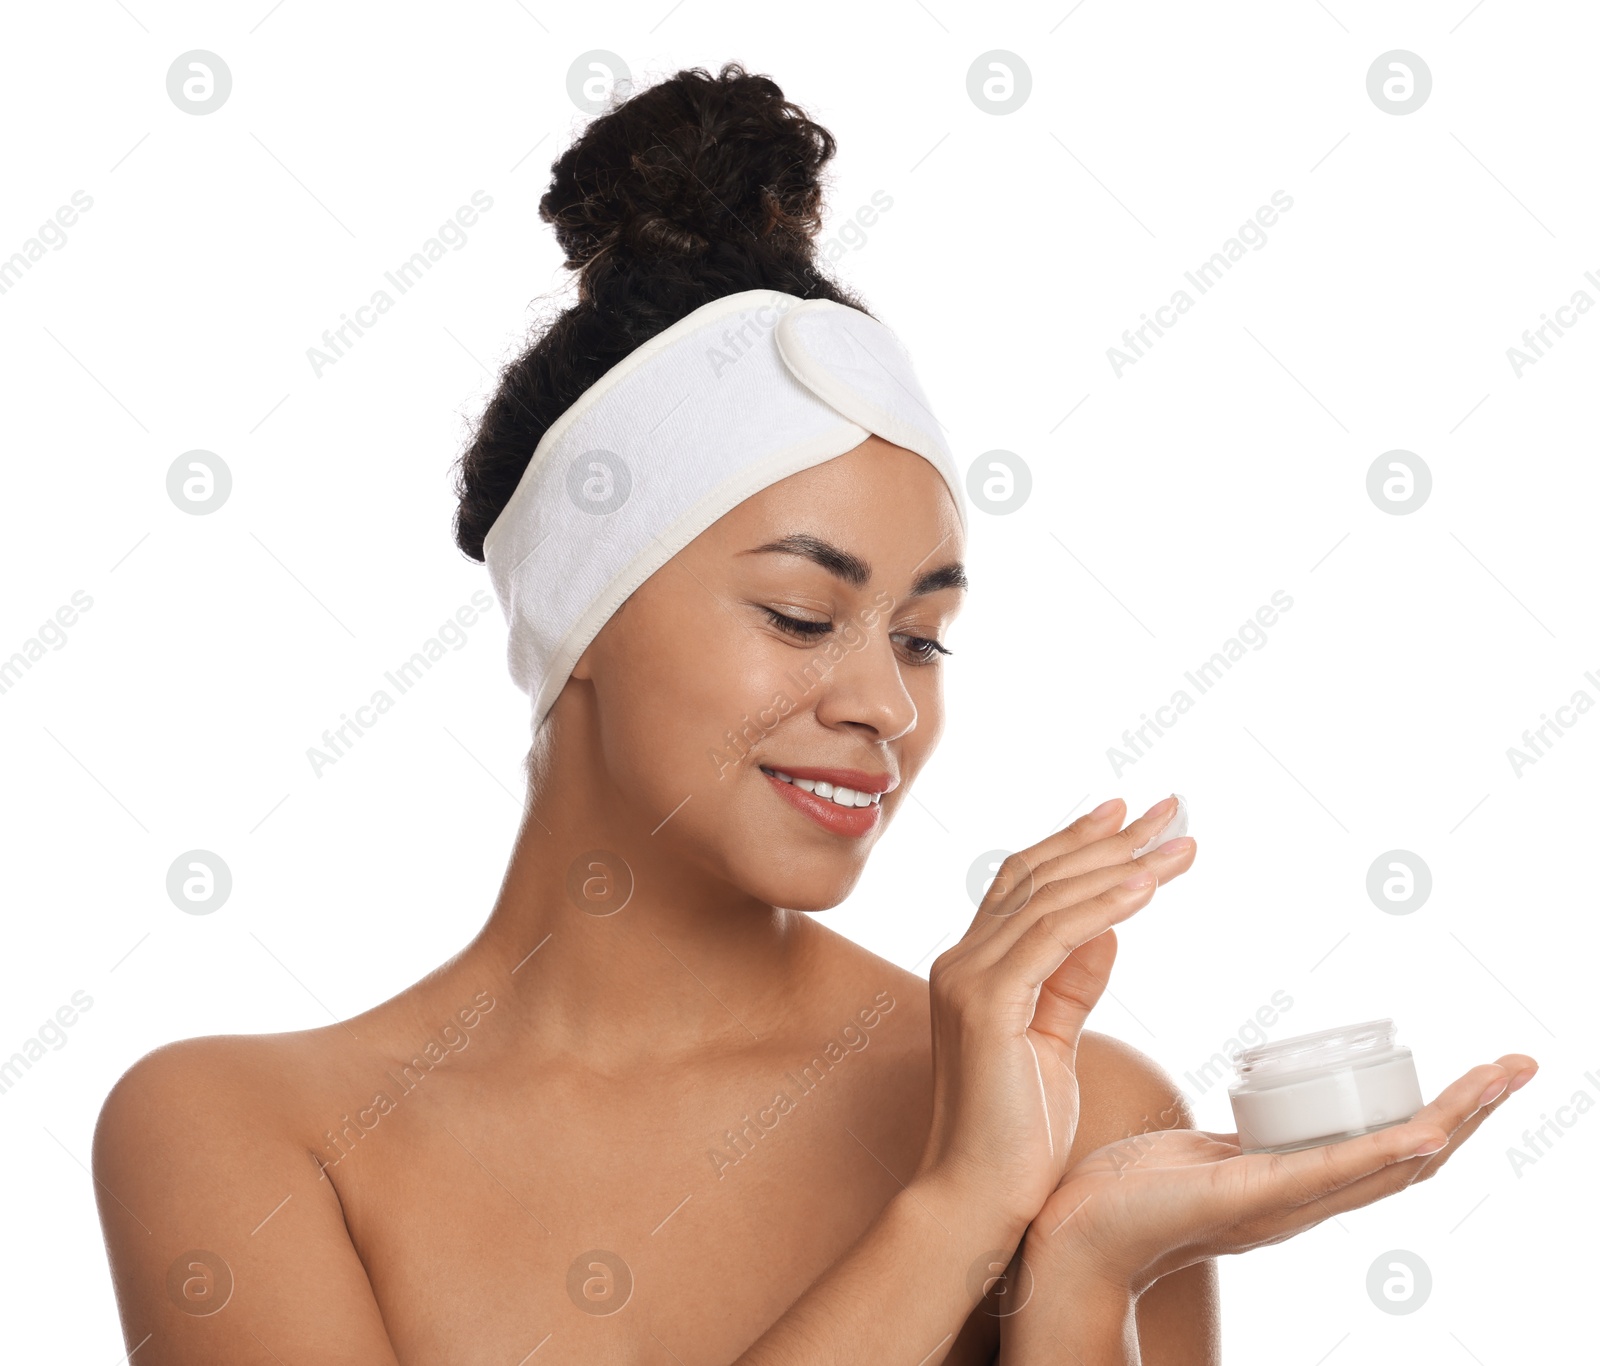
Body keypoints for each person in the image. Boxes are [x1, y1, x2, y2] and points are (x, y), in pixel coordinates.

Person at [92, 63, 1537, 1364]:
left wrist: (1081, 1269)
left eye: (924, 637)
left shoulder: (1084, 1111)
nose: (883, 704)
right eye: (799, 614)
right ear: (580, 620)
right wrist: (958, 1211)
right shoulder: (240, 1135)